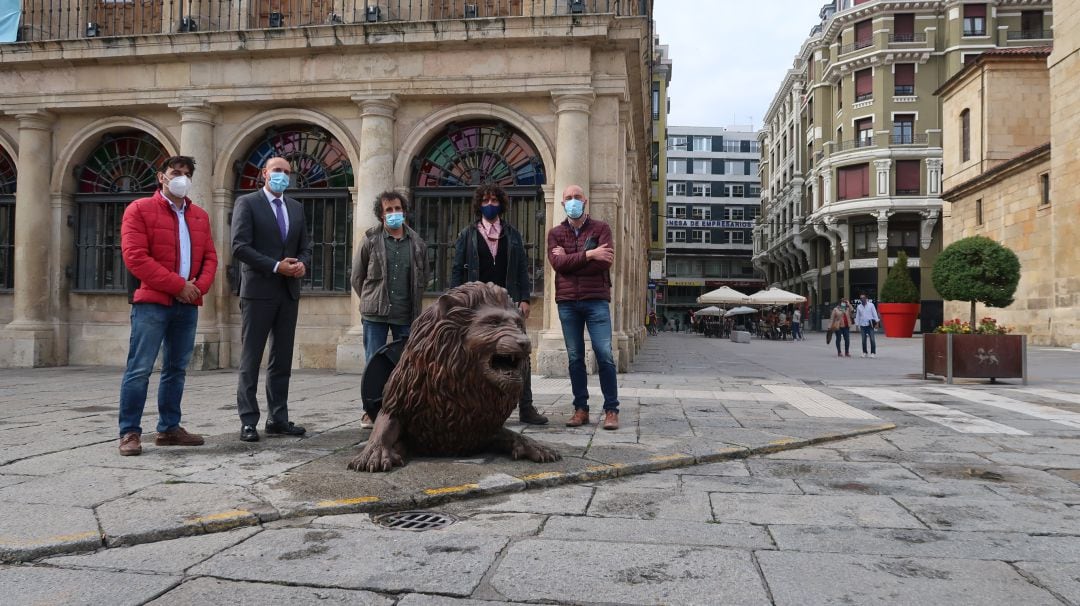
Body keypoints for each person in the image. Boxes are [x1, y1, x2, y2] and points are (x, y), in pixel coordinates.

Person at [117, 155, 218, 456]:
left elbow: (211, 258)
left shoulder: (199, 215)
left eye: (187, 174)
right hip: (152, 303)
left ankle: (169, 428)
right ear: (161, 176)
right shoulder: (140, 209)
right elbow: (135, 257)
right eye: (176, 172)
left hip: (187, 305)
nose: (182, 178)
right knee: (140, 368)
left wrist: (197, 288)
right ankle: (130, 432)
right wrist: (178, 286)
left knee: (176, 369)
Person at [231, 156, 312, 442]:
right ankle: (248, 420)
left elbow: (305, 247)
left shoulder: (296, 208)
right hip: (258, 291)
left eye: (287, 172)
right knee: (251, 358)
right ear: (264, 173)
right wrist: (276, 266)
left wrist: (301, 264)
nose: (282, 176)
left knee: (282, 359)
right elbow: (239, 246)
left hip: (288, 292)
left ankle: (278, 417)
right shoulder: (248, 203)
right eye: (277, 170)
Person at [451, 184, 546, 425]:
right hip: (477, 305)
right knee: (474, 354)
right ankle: (474, 407)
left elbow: (522, 269)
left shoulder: (512, 234)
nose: (490, 204)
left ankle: (526, 407)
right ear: (479, 204)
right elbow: (456, 269)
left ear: (501, 204)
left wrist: (525, 298)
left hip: (508, 302)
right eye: (485, 200)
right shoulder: (468, 234)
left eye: (494, 200)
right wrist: (456, 300)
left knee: (520, 353)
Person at [352, 191, 429, 428]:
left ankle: (403, 408)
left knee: (405, 363)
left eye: (397, 208)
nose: (394, 213)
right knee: (373, 362)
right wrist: (371, 300)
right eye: (388, 210)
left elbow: (424, 276)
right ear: (381, 215)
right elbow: (357, 277)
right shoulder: (370, 240)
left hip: (406, 313)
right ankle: (370, 410)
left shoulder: (417, 243)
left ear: (404, 211)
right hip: (375, 313)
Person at [548, 184, 620, 430]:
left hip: (596, 300)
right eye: (568, 198)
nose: (573, 201)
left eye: (577, 197)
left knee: (604, 354)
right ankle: (581, 409)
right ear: (562, 203)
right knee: (575, 356)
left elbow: (604, 263)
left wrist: (571, 259)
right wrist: (590, 254)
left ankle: (611, 409)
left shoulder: (601, 228)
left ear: (585, 200)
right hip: (568, 303)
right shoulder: (555, 233)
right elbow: (558, 264)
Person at [855, 291, 881, 358]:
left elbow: (875, 314)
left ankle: (873, 352)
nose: (862, 299)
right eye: (861, 298)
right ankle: (864, 352)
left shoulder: (871, 305)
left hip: (870, 325)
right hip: (862, 325)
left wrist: (877, 323)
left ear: (866, 298)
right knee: (863, 340)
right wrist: (857, 325)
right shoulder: (859, 307)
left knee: (872, 339)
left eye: (863, 298)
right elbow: (857, 316)